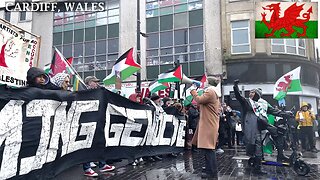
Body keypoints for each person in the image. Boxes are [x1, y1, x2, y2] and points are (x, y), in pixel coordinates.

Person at [233, 80, 292, 174]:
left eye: (253, 92)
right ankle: (258, 169)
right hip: (253, 129)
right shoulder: (248, 103)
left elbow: (274, 111)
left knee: (280, 132)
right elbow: (239, 97)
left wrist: (286, 114)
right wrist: (235, 86)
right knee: (258, 148)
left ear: (257, 94)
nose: (250, 93)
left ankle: (280, 155)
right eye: (250, 92)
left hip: (264, 126)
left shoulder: (264, 103)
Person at [82, 76, 115, 177]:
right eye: (94, 82)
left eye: (97, 82)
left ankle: (102, 165)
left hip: (98, 121)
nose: (96, 84)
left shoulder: (99, 93)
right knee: (87, 145)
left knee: (100, 143)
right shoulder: (83, 93)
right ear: (88, 83)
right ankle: (87, 168)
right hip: (87, 122)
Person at [190, 77, 220, 179]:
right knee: (207, 148)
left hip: (209, 124)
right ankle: (209, 169)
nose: (204, 83)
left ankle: (211, 171)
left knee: (209, 149)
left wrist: (193, 90)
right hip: (209, 123)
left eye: (206, 81)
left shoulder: (210, 91)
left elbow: (199, 100)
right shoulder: (212, 92)